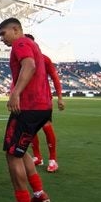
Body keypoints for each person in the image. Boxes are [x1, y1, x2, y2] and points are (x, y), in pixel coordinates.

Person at [0, 18, 52, 202]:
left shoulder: (20, 43)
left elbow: (29, 64)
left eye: (3, 34)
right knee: (22, 149)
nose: (1, 38)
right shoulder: (33, 44)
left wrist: (15, 93)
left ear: (16, 30)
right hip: (42, 108)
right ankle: (38, 194)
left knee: (12, 155)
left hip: (28, 108)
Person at [25, 34, 65, 173]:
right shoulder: (23, 59)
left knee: (46, 127)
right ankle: (38, 157)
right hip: (28, 101)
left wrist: (60, 97)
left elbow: (55, 77)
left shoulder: (44, 59)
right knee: (30, 130)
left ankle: (53, 160)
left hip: (43, 100)